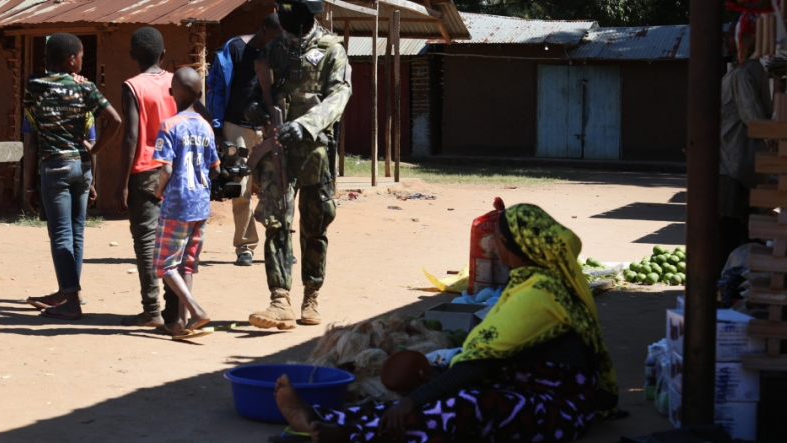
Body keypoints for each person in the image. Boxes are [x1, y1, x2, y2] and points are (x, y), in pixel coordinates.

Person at [273, 204, 620, 442]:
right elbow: (495, 355)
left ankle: (353, 436)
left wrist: (415, 398)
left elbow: (481, 361)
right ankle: (318, 419)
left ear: (515, 246)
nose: (492, 244)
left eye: (497, 238)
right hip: (523, 386)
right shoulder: (532, 280)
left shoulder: (540, 294)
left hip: (558, 408)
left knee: (460, 406)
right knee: (434, 399)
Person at [244, 0, 351, 329]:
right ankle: (280, 299)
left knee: (315, 225)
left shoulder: (332, 49)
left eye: (289, 6)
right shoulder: (272, 49)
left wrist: (304, 125)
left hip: (314, 152)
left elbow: (339, 95)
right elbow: (254, 91)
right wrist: (254, 109)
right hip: (277, 152)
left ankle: (311, 295)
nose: (283, 13)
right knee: (276, 222)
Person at [22, 32, 122, 320]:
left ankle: (71, 301)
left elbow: (32, 138)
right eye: (79, 56)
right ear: (70, 60)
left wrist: (29, 186)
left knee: (61, 234)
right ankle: (70, 293)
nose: (81, 60)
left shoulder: (34, 86)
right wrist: (97, 150)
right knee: (76, 232)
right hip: (82, 166)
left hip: (55, 167)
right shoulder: (86, 87)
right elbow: (114, 120)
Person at [115, 26, 182, 329]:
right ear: (164, 54)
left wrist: (120, 183)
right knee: (172, 241)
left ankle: (151, 309)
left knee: (146, 242)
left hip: (144, 172)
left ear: (132, 56)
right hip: (176, 171)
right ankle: (172, 309)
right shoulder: (177, 82)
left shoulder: (132, 86)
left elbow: (131, 136)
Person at [207, 13, 282, 267]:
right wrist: (216, 127)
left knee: (277, 186)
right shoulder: (234, 49)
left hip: (269, 128)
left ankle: (279, 244)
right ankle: (245, 247)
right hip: (236, 127)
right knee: (241, 189)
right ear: (263, 30)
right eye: (275, 36)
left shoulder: (279, 52)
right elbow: (217, 87)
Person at [152, 67, 221, 337]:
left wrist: (159, 191)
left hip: (177, 204)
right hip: (201, 204)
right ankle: (181, 323)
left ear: (171, 93)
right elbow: (214, 167)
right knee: (187, 264)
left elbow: (166, 170)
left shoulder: (169, 126)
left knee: (165, 265)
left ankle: (196, 310)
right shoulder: (205, 126)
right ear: (200, 94)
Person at [719, 15, 772, 273]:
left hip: (735, 163)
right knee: (744, 225)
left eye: (731, 36)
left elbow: (754, 119)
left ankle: (727, 283)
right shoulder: (750, 70)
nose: (726, 40)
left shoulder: (742, 74)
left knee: (730, 226)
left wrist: (772, 147)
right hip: (740, 159)